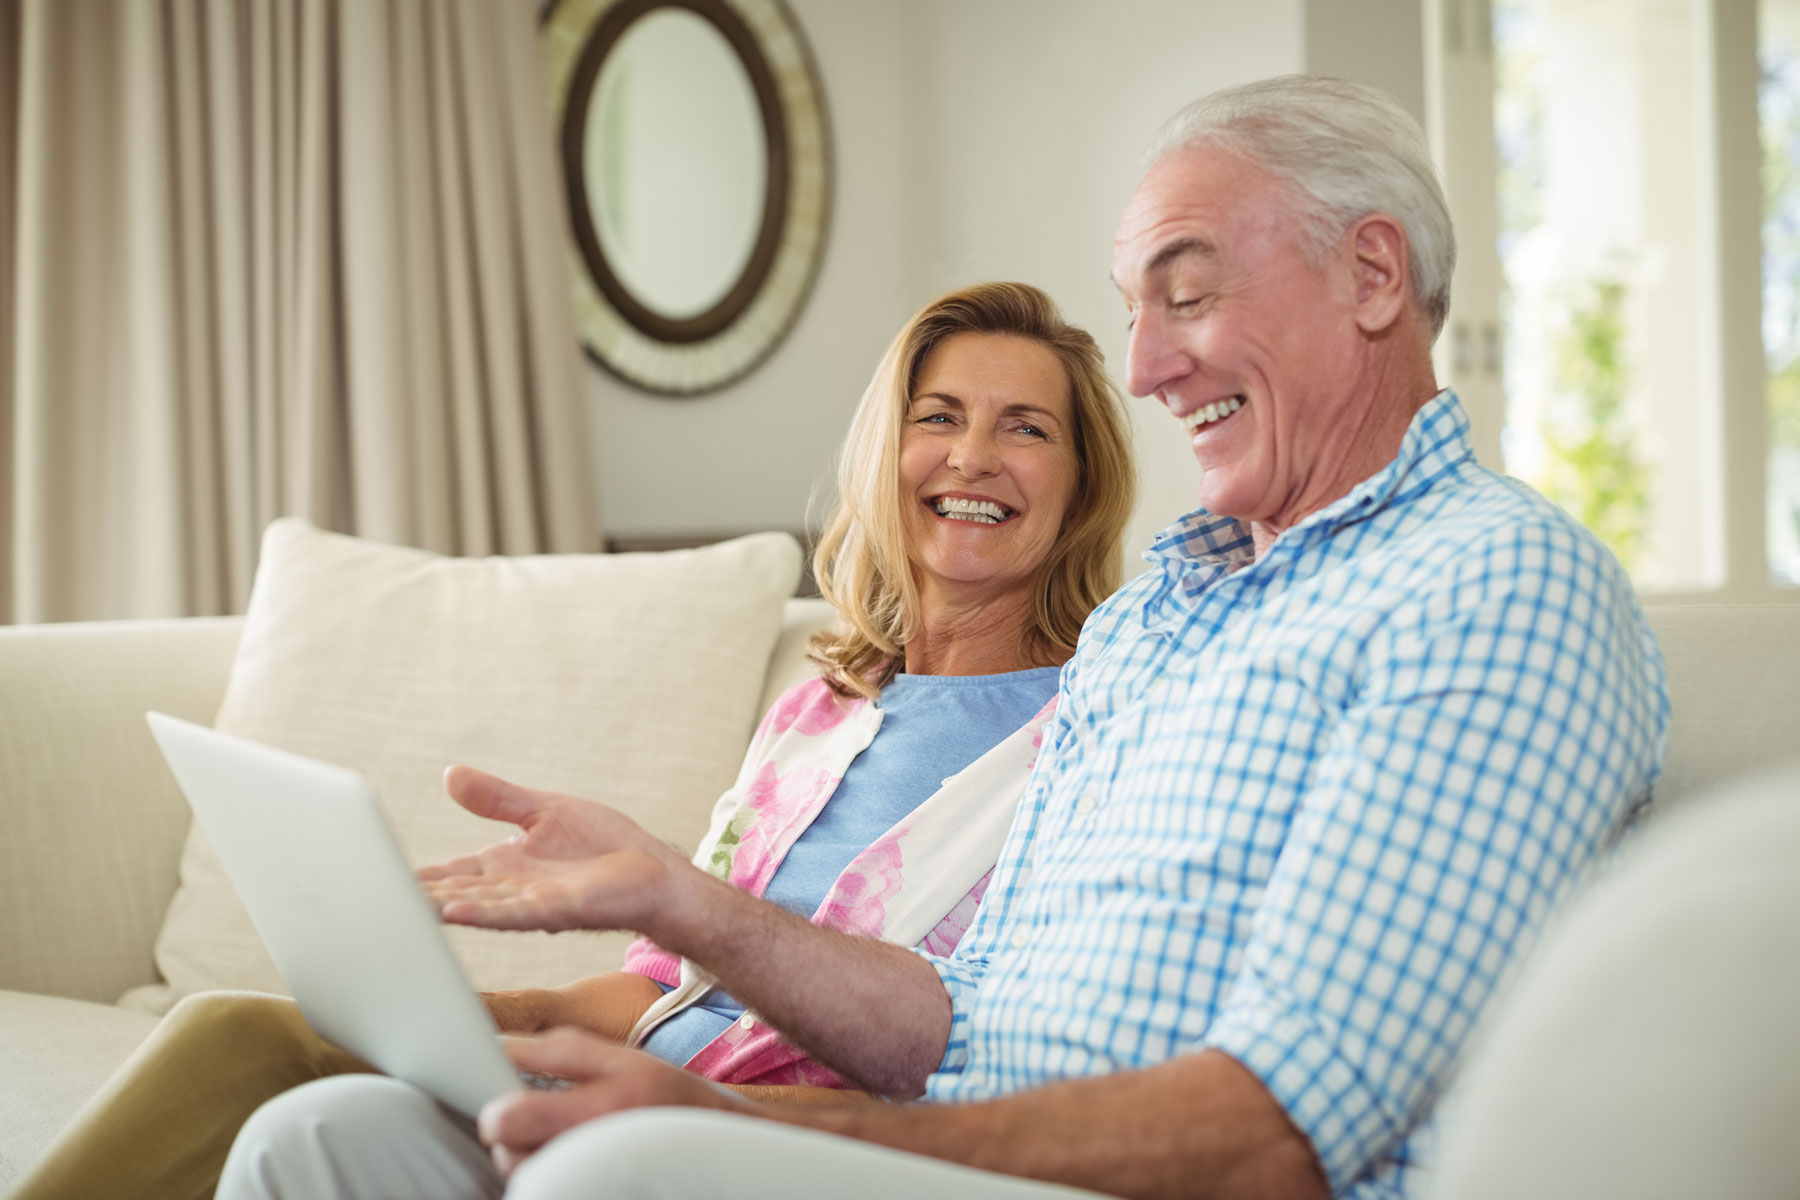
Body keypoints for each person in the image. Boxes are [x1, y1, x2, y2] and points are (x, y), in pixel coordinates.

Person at [218, 75, 1669, 1200]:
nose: (1151, 367)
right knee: (331, 1139)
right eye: (1136, 310)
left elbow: (1275, 1134)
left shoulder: (1494, 585)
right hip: (950, 1148)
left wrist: (740, 1118)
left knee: (613, 1169)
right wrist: (682, 897)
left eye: (1188, 291)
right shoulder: (1164, 619)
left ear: (1368, 276)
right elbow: (959, 1012)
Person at [7, 280, 1137, 1200]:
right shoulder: (820, 709)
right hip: (653, 1080)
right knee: (313, 1114)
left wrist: (691, 1102)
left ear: (1080, 487)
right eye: (937, 416)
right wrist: (476, 1022)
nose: (973, 456)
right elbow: (668, 986)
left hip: (820, 1140)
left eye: (1025, 429)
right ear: (885, 451)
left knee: (567, 1167)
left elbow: (999, 1064)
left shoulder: (1089, 734)